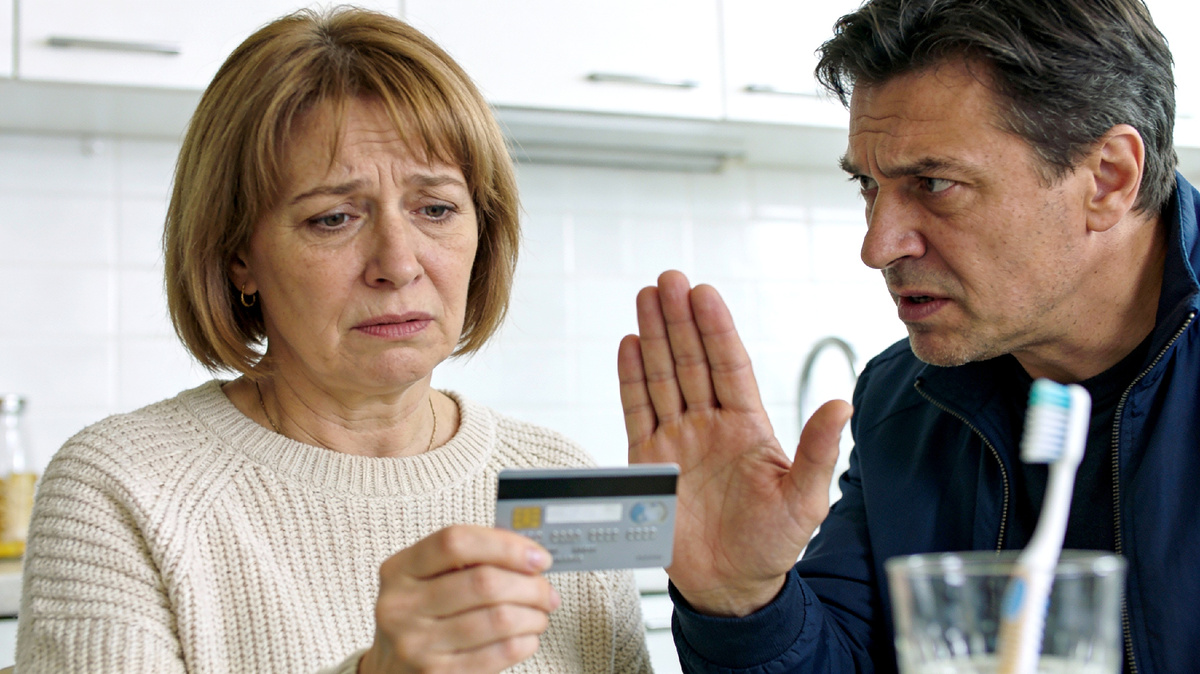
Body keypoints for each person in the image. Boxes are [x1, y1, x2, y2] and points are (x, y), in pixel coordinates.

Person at [15, 7, 650, 673]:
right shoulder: (121, 488)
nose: (397, 264)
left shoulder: (553, 478)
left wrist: (720, 603)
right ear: (238, 255)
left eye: (436, 209)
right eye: (333, 218)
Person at [617, 0, 1199, 671]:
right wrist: (742, 602)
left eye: (934, 183)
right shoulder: (905, 398)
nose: (877, 246)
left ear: (1108, 178)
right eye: (868, 186)